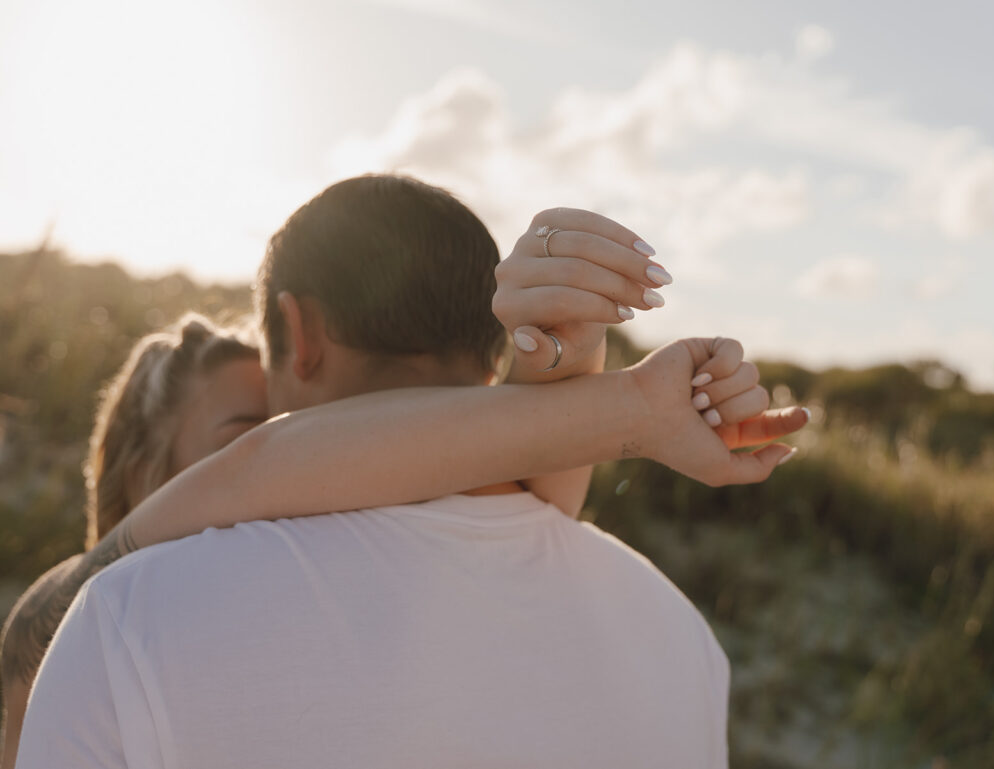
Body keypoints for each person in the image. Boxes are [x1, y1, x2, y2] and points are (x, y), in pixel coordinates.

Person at [14, 175, 806, 768]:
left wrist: (618, 404)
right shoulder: (677, 636)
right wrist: (605, 402)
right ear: (489, 344)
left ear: (299, 330)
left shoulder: (127, 618)